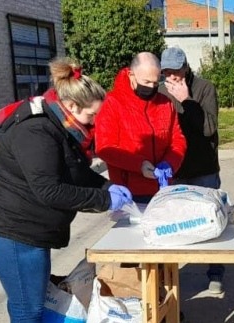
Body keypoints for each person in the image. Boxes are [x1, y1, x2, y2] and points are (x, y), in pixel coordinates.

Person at [0, 57, 133, 323]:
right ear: (71, 105)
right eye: (91, 115)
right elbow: (50, 190)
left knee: (33, 295)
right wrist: (104, 201)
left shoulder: (60, 127)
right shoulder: (36, 131)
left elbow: (74, 172)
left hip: (24, 230)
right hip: (9, 231)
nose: (94, 122)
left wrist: (108, 189)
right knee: (28, 307)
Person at [158, 46, 225, 294]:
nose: (172, 77)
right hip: (175, 168)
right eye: (167, 72)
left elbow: (209, 128)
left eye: (176, 71)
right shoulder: (161, 92)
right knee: (174, 221)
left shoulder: (204, 88)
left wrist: (187, 100)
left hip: (203, 166)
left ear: (186, 67)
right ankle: (171, 277)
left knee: (211, 218)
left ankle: (215, 271)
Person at [93, 52, 186, 203]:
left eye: (156, 83)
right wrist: (139, 164)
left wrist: (170, 162)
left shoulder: (165, 103)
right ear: (131, 75)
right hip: (129, 193)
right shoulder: (112, 103)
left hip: (163, 188)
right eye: (147, 82)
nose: (151, 87)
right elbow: (105, 148)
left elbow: (178, 140)